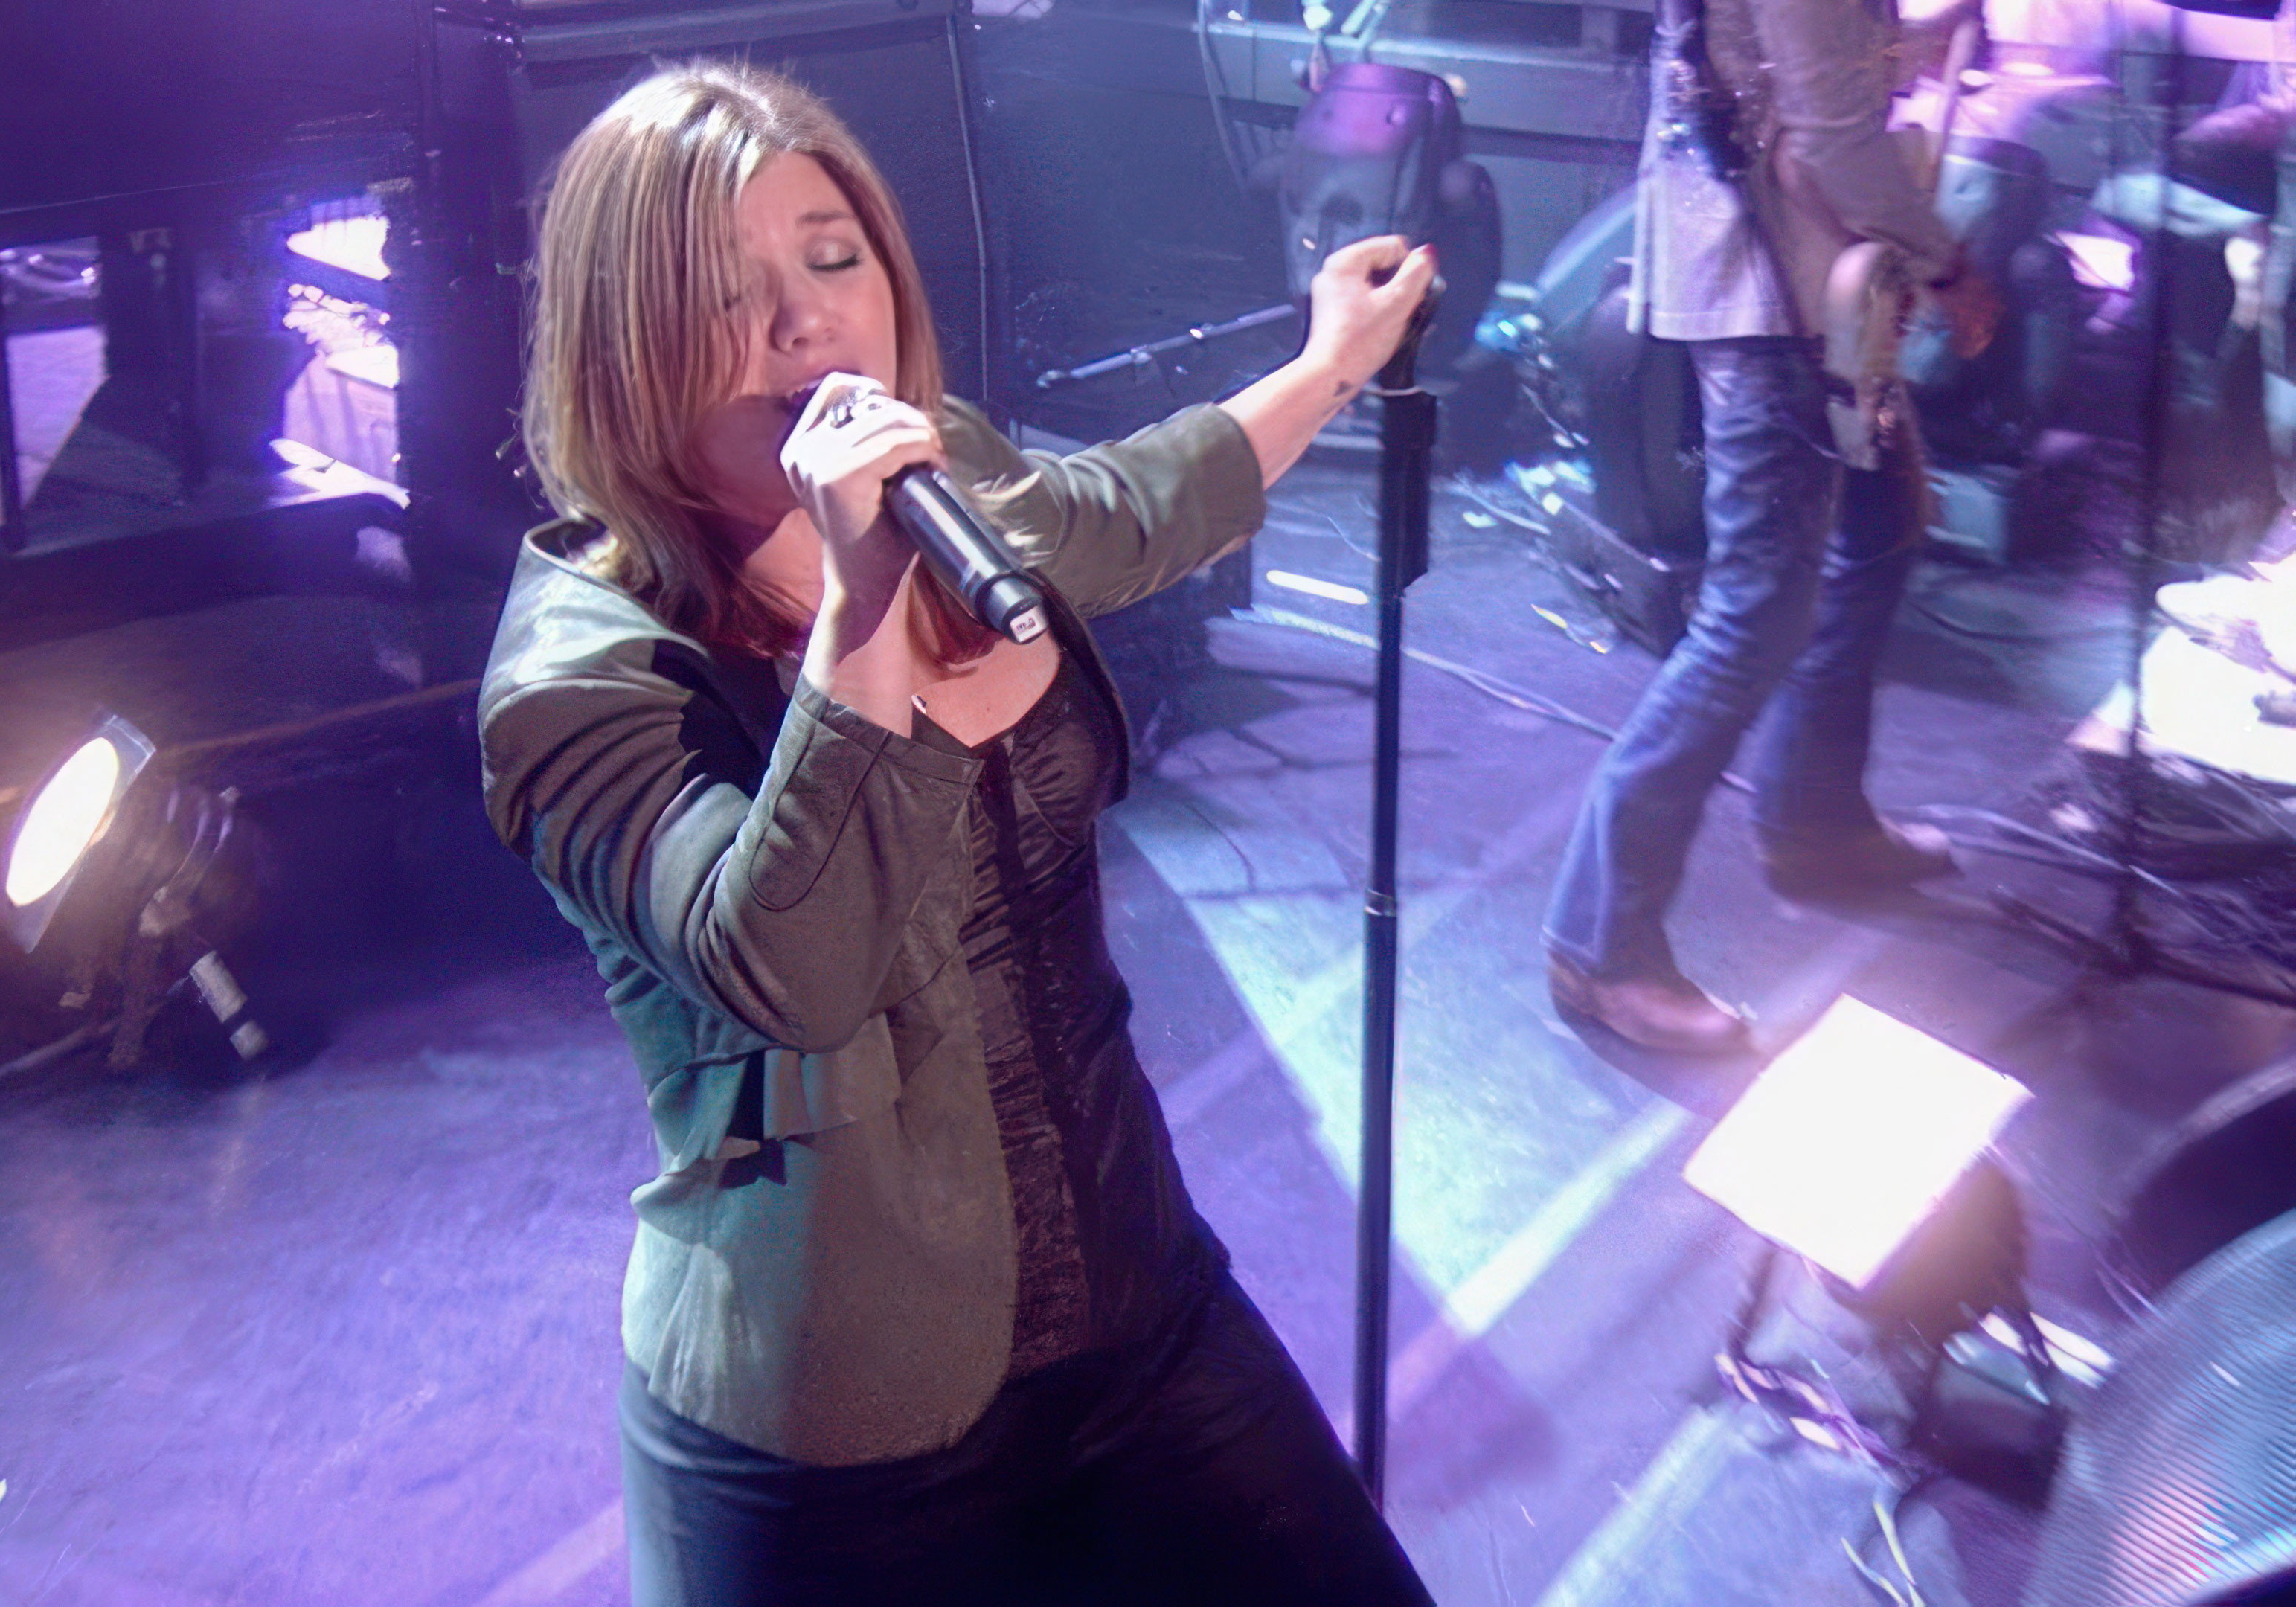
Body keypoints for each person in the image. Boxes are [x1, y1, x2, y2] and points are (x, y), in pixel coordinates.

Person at [479, 61, 1440, 1607]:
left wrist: (1331, 362)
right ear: (620, 338)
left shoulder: (954, 474)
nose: (806, 322)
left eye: (833, 258)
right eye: (725, 292)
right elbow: (791, 966)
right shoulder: (582, 678)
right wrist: (861, 607)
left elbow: (1129, 510)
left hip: (1136, 1300)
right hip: (839, 1431)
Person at [1541, 0, 2003, 1053]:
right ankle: (1599, 947)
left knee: (1879, 531)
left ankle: (1815, 822)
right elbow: (1828, 143)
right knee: (1754, 618)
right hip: (1775, 299)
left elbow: (1793, 63)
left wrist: (1916, 40)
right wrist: (1949, 266)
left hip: (1799, 282)